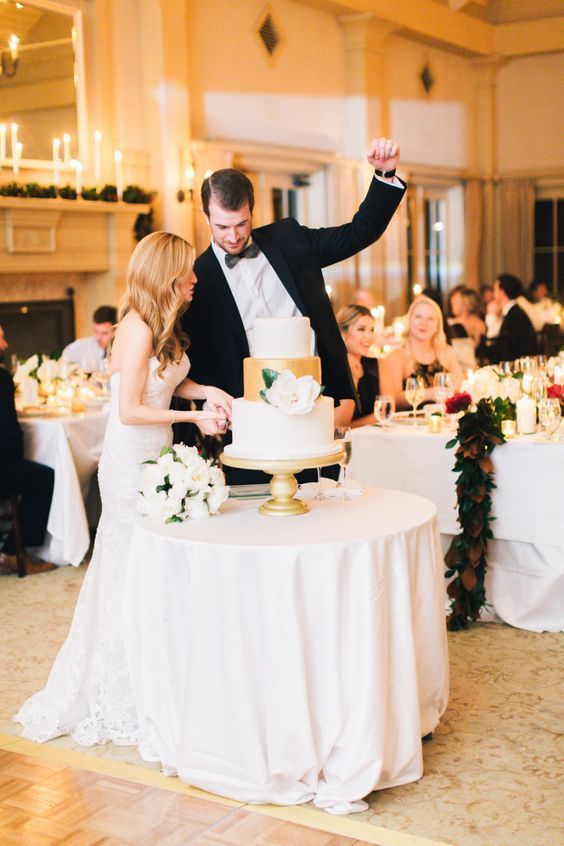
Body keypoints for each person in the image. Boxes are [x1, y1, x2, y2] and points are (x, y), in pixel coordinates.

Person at [14, 231, 231, 746]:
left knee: (157, 567)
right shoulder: (134, 328)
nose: (196, 278)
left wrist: (206, 390)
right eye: (187, 271)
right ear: (166, 275)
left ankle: (162, 672)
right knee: (131, 569)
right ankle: (122, 687)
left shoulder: (159, 322)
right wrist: (194, 416)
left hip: (156, 455)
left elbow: (165, 380)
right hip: (132, 460)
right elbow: (131, 409)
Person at [183, 137, 406, 479]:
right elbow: (199, 358)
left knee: (324, 503)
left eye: (241, 224)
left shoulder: (289, 240)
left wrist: (384, 174)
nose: (232, 236)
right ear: (205, 216)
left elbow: (359, 233)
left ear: (252, 212)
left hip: (317, 404)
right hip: (252, 425)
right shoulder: (199, 278)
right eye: (222, 226)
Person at [0, 325, 56, 575]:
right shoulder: (1, 378)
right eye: (1, 338)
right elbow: (9, 438)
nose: (5, 345)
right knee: (44, 477)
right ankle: (15, 553)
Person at [379, 295, 462, 410]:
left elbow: (461, 385)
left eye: (430, 318)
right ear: (409, 320)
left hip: (443, 421)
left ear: (438, 325)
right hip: (408, 423)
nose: (424, 323)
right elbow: (394, 399)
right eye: (418, 317)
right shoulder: (397, 355)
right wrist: (430, 393)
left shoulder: (446, 352)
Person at [337, 305, 380, 428]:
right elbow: (340, 427)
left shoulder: (375, 365)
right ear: (343, 332)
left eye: (371, 330)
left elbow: (386, 412)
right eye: (361, 329)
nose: (369, 336)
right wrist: (353, 378)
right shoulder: (336, 370)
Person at [480, 274, 538, 364]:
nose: (493, 294)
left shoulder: (515, 316)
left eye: (495, 290)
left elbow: (507, 348)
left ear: (502, 292)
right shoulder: (513, 312)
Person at [62, 305, 117, 369]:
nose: (98, 338)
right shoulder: (79, 346)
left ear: (115, 331)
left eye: (104, 333)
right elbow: (62, 363)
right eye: (96, 331)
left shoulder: (123, 350)